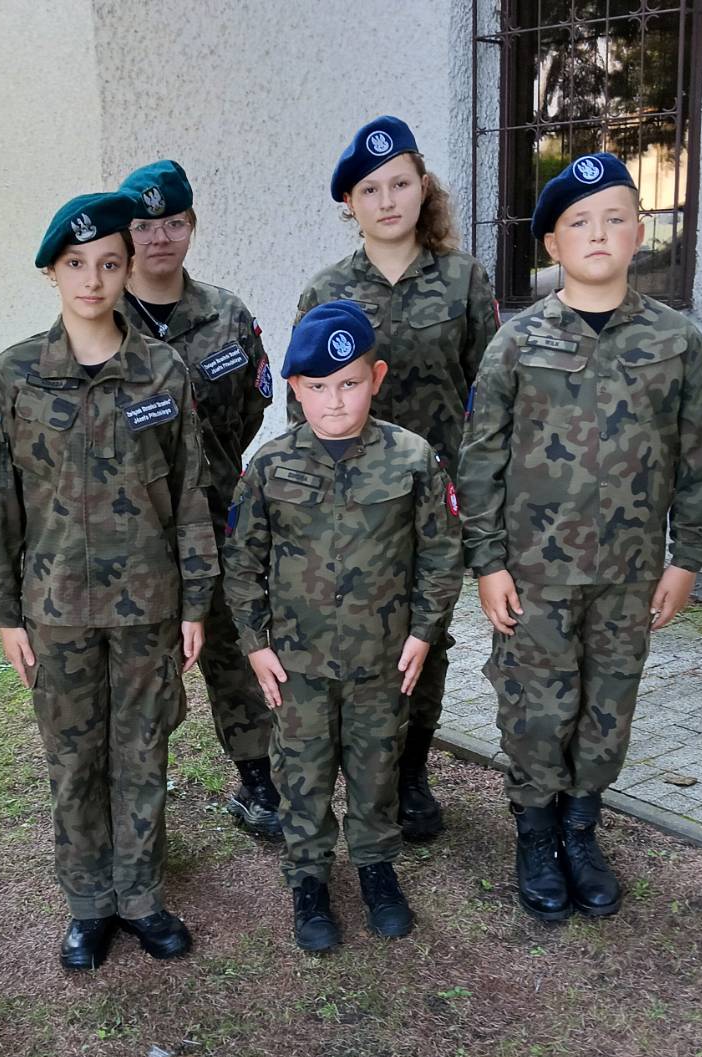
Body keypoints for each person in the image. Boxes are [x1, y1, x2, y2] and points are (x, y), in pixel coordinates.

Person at [458, 152, 702, 921]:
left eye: (615, 218)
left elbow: (699, 459)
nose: (599, 233)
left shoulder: (677, 342)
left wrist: (687, 559)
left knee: (608, 705)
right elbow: (481, 461)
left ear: (640, 231)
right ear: (553, 243)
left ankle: (580, 831)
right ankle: (535, 834)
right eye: (579, 222)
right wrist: (487, 562)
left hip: (628, 574)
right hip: (534, 575)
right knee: (535, 709)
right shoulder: (517, 343)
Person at [0, 190, 219, 970]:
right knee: (74, 758)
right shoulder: (16, 375)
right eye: (76, 264)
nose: (93, 280)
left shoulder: (163, 371)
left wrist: (196, 601)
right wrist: (6, 612)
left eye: (109, 264)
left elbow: (191, 492)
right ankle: (87, 903)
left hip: (148, 603)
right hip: (56, 608)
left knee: (143, 752)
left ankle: (140, 897)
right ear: (52, 272)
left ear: (127, 268)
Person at [223, 301, 463, 952]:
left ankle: (377, 867)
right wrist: (256, 645)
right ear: (296, 388)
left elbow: (441, 552)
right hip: (296, 665)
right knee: (300, 772)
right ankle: (308, 879)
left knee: (377, 765)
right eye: (319, 386)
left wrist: (423, 632)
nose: (335, 401)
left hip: (381, 660)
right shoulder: (270, 467)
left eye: (350, 383)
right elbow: (241, 562)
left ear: (376, 378)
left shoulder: (412, 459)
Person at [293, 115, 497, 842]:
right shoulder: (327, 291)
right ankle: (352, 772)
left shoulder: (464, 280)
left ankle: (410, 773)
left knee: (426, 637)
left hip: (433, 501)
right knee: (349, 634)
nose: (387, 200)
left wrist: (485, 497)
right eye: (370, 189)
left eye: (400, 184)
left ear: (422, 188)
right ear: (349, 203)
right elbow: (303, 404)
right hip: (351, 506)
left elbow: (491, 396)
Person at [115, 160, 281, 840]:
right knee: (140, 667)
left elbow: (251, 408)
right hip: (132, 532)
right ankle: (135, 803)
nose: (159, 238)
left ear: (192, 227)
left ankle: (259, 781)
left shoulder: (227, 316)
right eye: (144, 225)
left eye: (174, 223)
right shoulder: (99, 316)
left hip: (217, 520)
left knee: (236, 647)